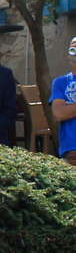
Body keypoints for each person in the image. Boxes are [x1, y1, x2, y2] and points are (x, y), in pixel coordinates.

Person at [50, 36, 76, 165]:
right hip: (71, 152)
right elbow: (59, 113)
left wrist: (70, 108)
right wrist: (66, 111)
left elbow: (66, 111)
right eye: (73, 48)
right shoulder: (61, 82)